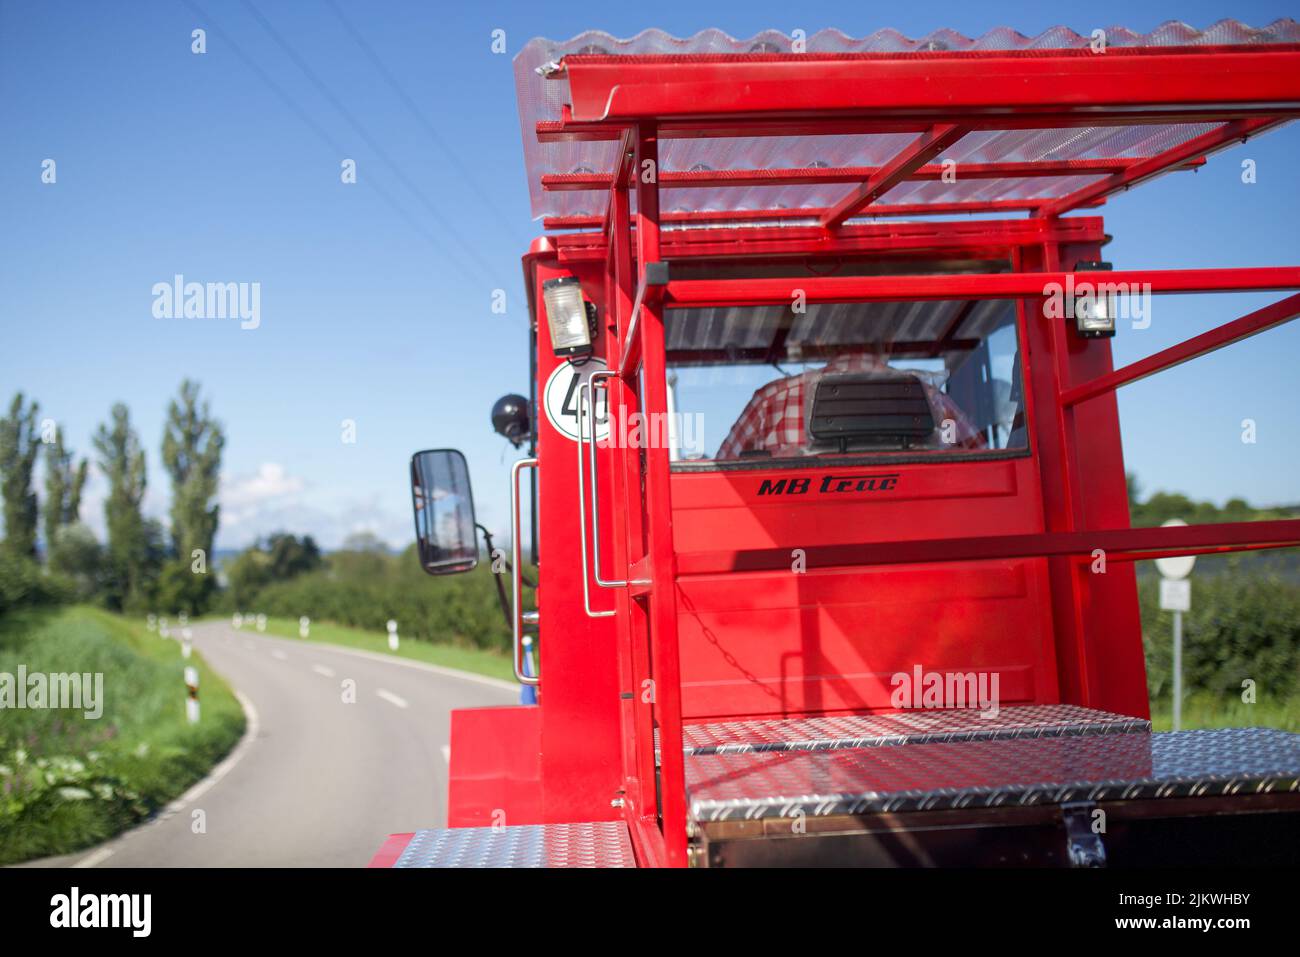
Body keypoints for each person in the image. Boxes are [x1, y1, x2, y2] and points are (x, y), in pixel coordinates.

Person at [716, 351, 985, 460]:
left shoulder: (771, 401)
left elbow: (722, 478)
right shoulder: (935, 402)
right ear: (888, 343)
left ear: (819, 344)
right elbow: (983, 467)